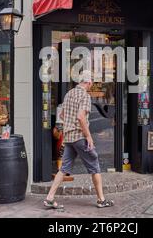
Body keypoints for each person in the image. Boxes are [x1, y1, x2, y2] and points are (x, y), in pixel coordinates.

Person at [44, 70, 114, 210]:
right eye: (91, 82)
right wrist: (88, 136)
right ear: (88, 82)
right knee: (95, 166)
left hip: (69, 137)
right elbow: (81, 117)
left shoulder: (69, 94)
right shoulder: (85, 96)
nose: (91, 85)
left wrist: (69, 125)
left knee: (63, 169)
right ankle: (101, 199)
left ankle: (49, 198)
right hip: (79, 137)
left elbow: (62, 114)